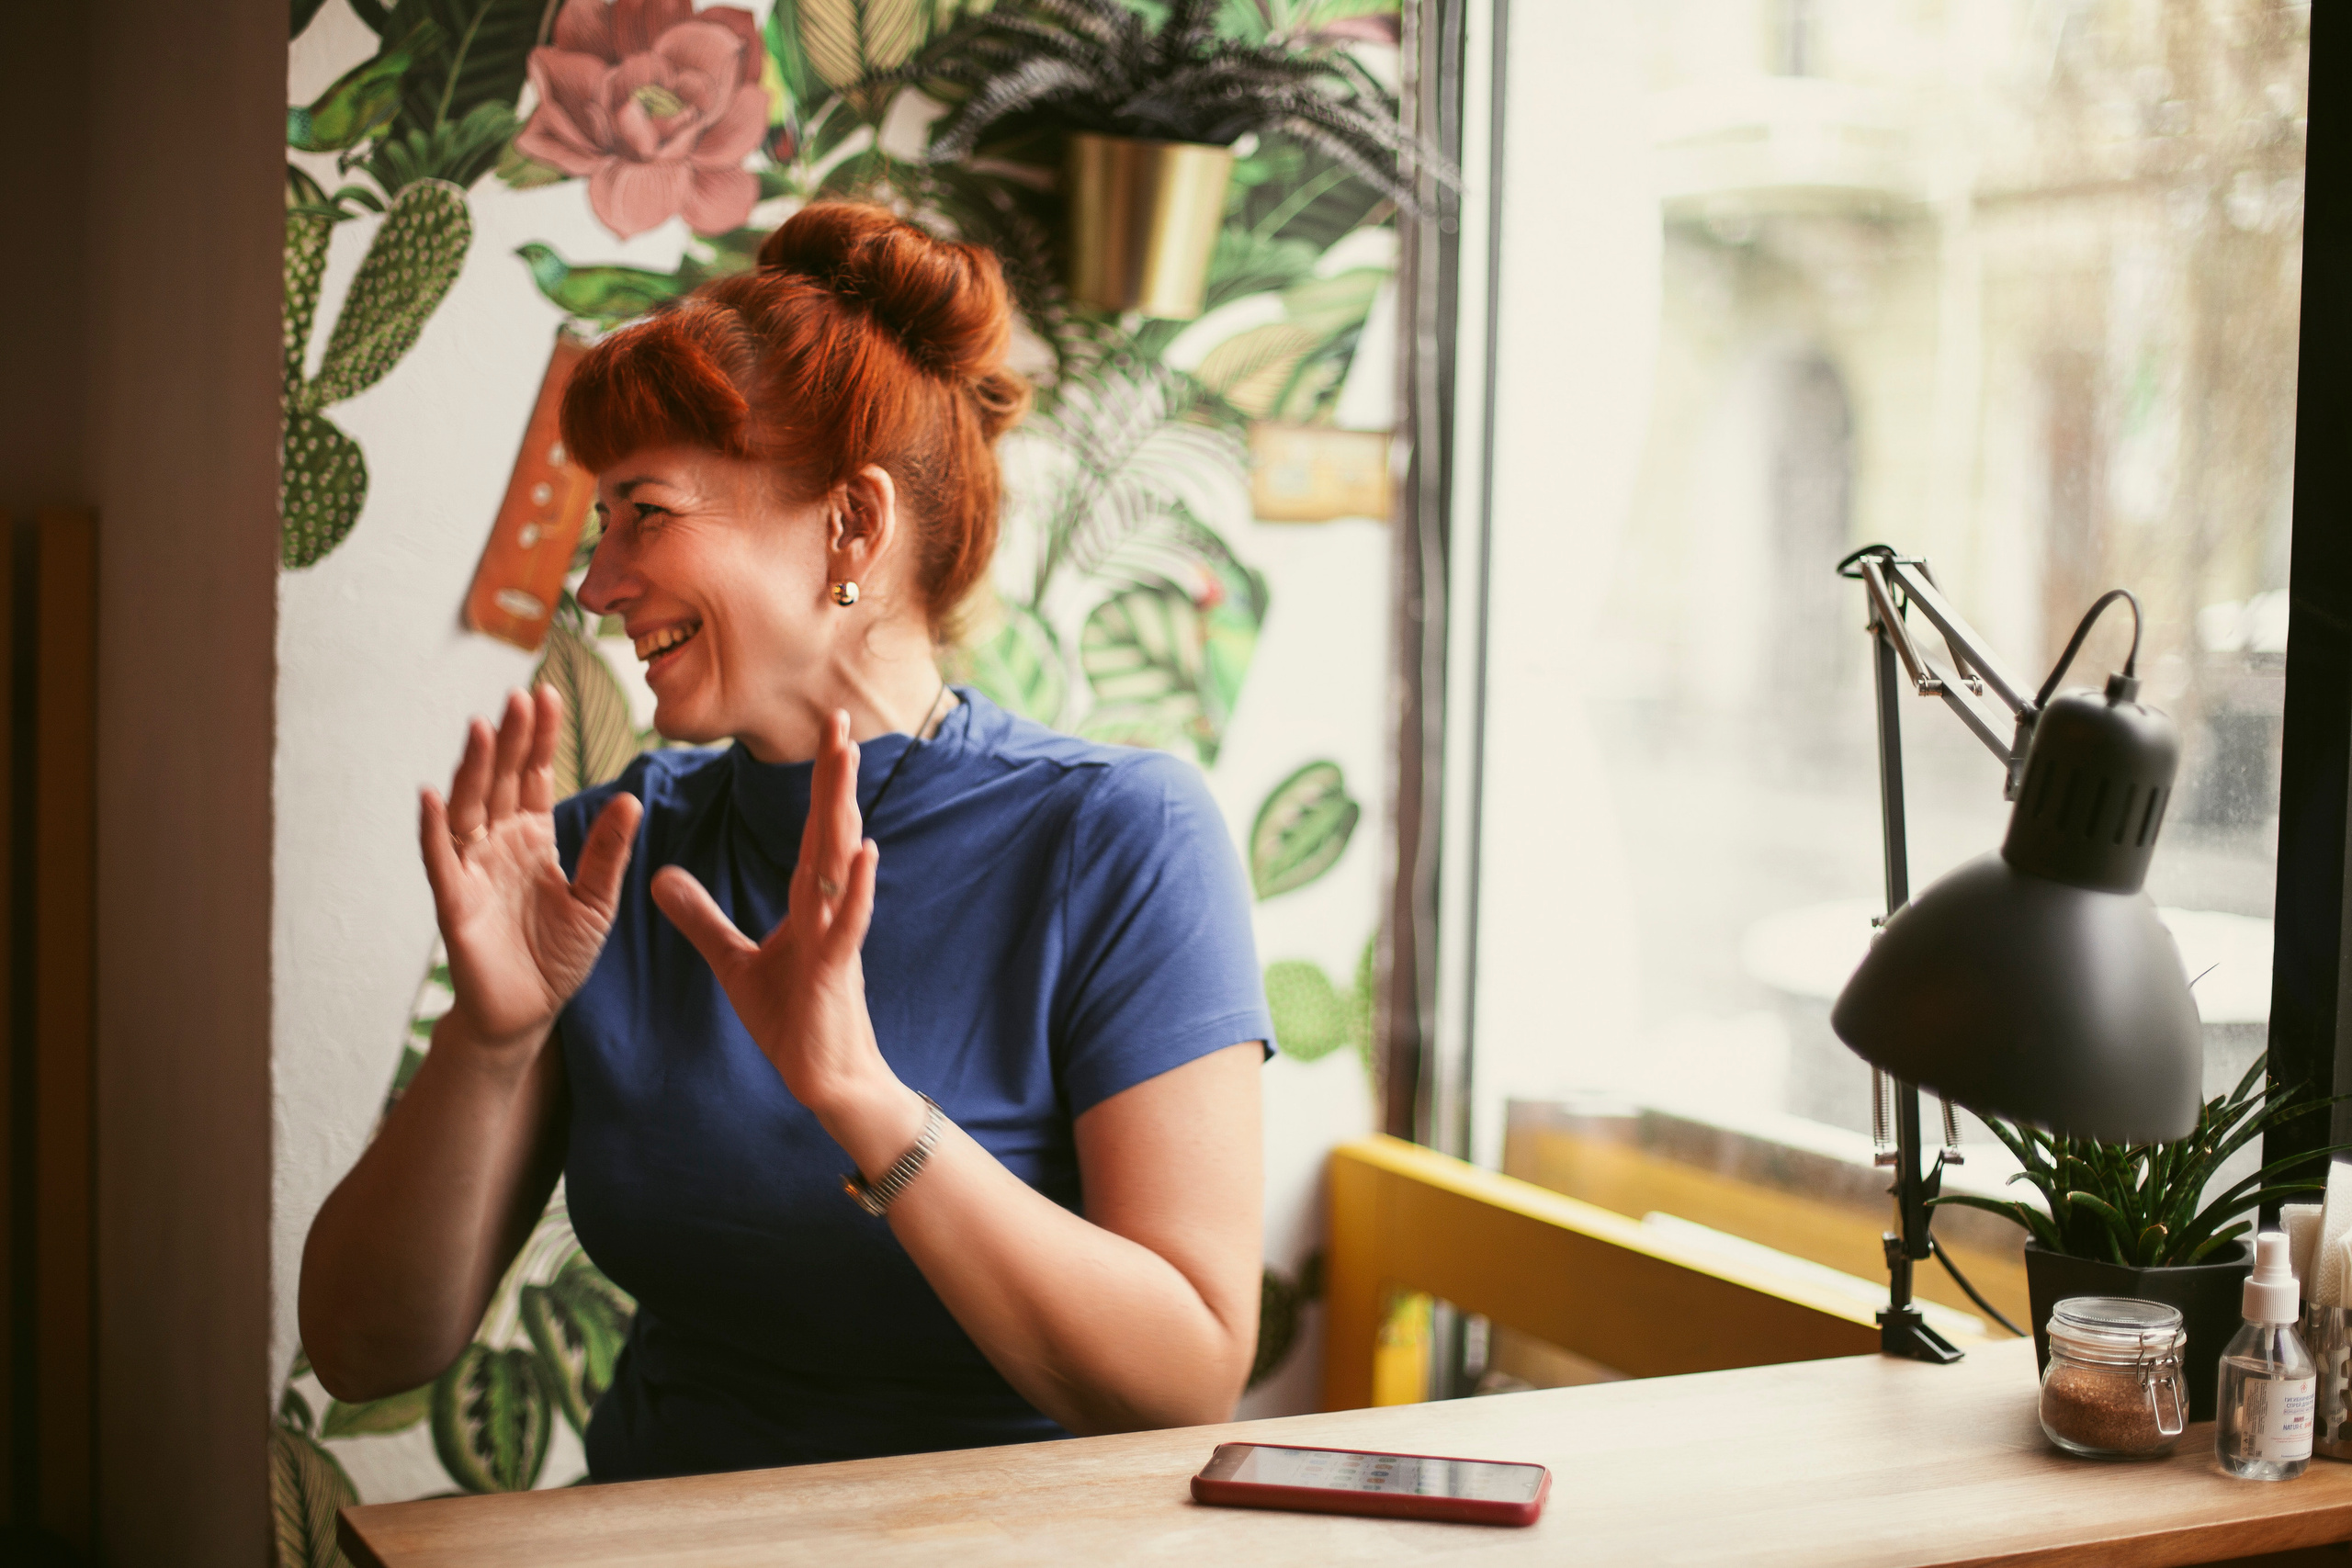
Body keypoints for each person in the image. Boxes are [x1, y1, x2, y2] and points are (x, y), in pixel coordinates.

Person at [300, 203, 1272, 1481]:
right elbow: (366, 1350)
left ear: (849, 530)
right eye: (603, 527)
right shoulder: (604, 863)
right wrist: (490, 1043)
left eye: (644, 513)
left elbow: (1188, 1376)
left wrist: (861, 1100)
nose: (597, 586)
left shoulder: (1118, 838)